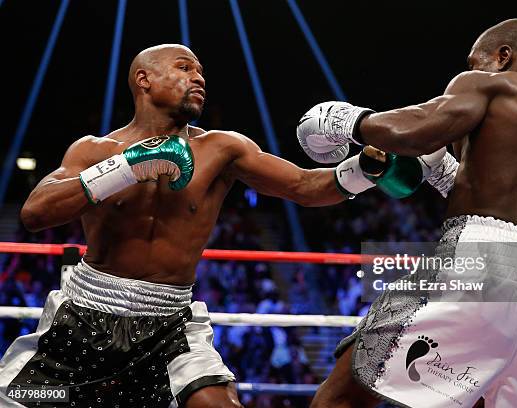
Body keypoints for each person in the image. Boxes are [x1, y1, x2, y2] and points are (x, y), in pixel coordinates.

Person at [0, 44, 439, 408]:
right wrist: (127, 167)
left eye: (202, 71)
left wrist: (364, 167)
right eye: (184, 68)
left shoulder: (222, 148)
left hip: (168, 323)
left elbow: (306, 186)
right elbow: (35, 213)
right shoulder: (95, 150)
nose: (199, 78)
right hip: (84, 316)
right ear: (144, 80)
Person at [297, 19, 517, 408]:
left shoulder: (490, 84)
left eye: (475, 61)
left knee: (343, 395)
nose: (470, 70)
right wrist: (448, 175)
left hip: (479, 261)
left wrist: (349, 121)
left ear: (503, 56)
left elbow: (417, 131)